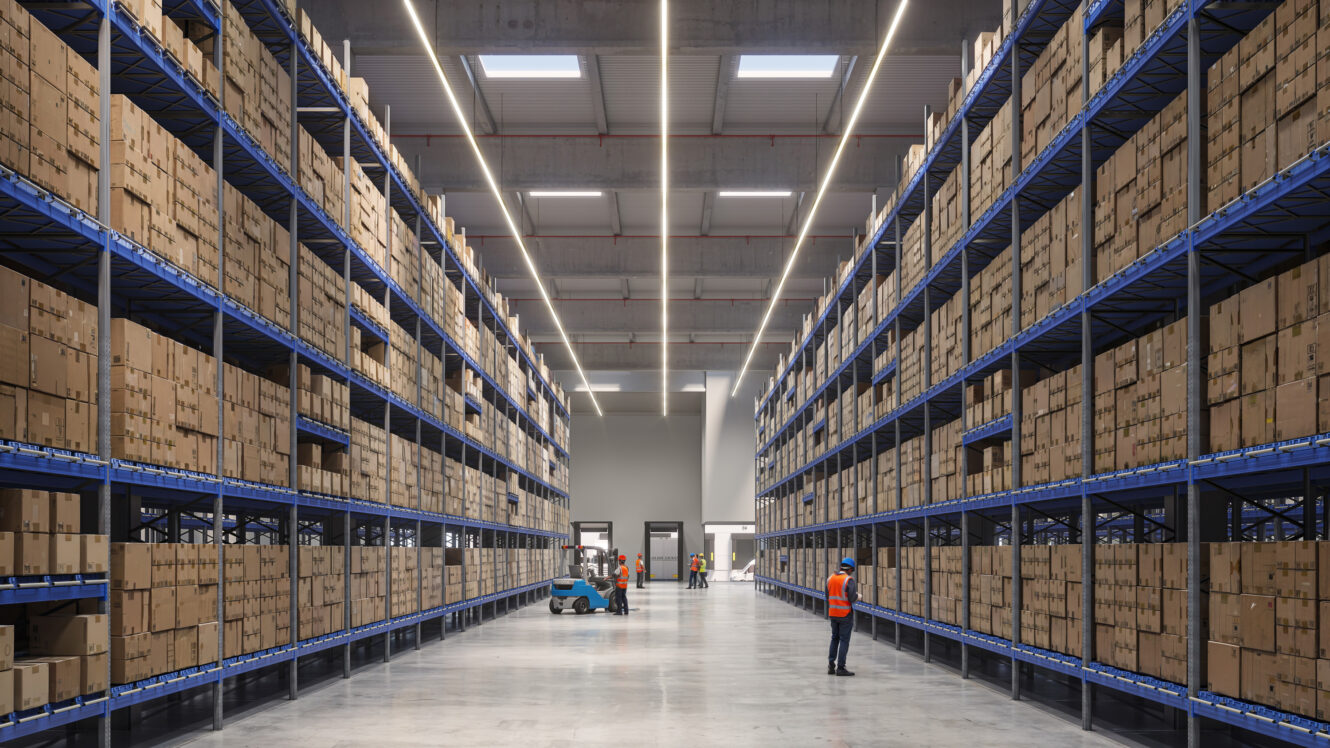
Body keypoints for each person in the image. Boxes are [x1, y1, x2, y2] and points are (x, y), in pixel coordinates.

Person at [826, 557, 858, 676]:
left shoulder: (830, 578)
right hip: (845, 615)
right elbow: (851, 598)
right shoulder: (848, 580)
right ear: (850, 569)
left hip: (833, 614)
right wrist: (858, 597)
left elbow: (827, 596)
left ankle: (831, 665)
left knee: (834, 638)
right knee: (844, 640)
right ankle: (840, 668)